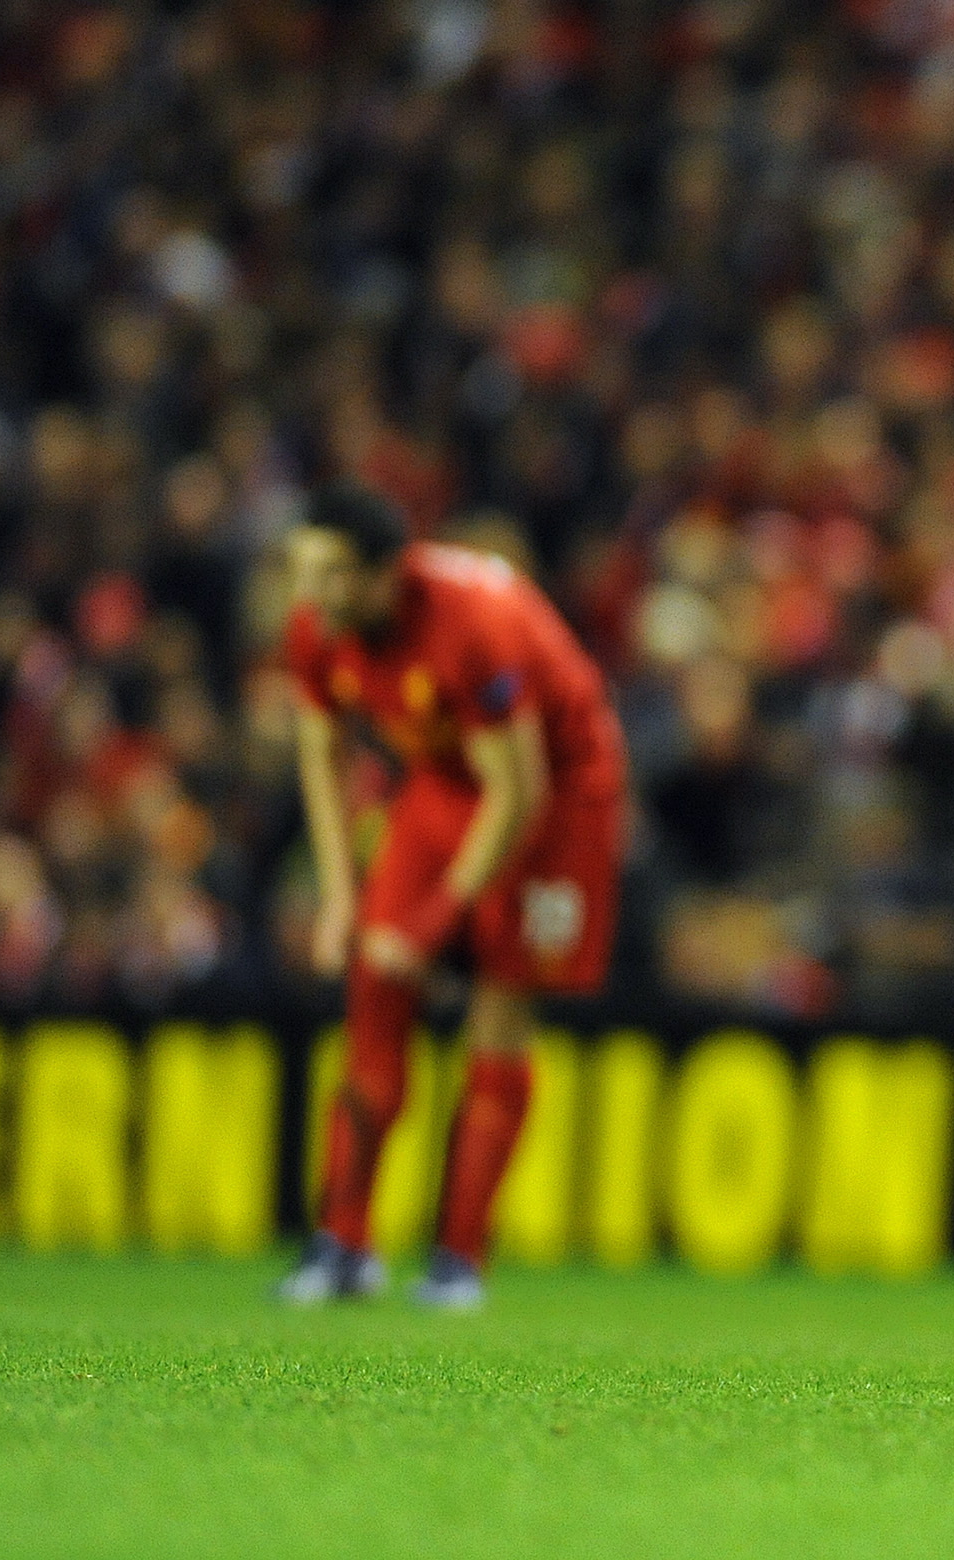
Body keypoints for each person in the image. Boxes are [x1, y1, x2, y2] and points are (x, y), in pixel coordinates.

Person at [274, 486, 629, 1309]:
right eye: (302, 574)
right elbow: (320, 751)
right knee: (374, 986)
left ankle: (459, 1261)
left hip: (560, 800)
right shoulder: (318, 628)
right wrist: (339, 896)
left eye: (328, 576)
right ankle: (343, 1246)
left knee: (501, 1008)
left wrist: (434, 923)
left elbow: (521, 793)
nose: (308, 597)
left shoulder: (475, 625)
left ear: (382, 577)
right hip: (443, 784)